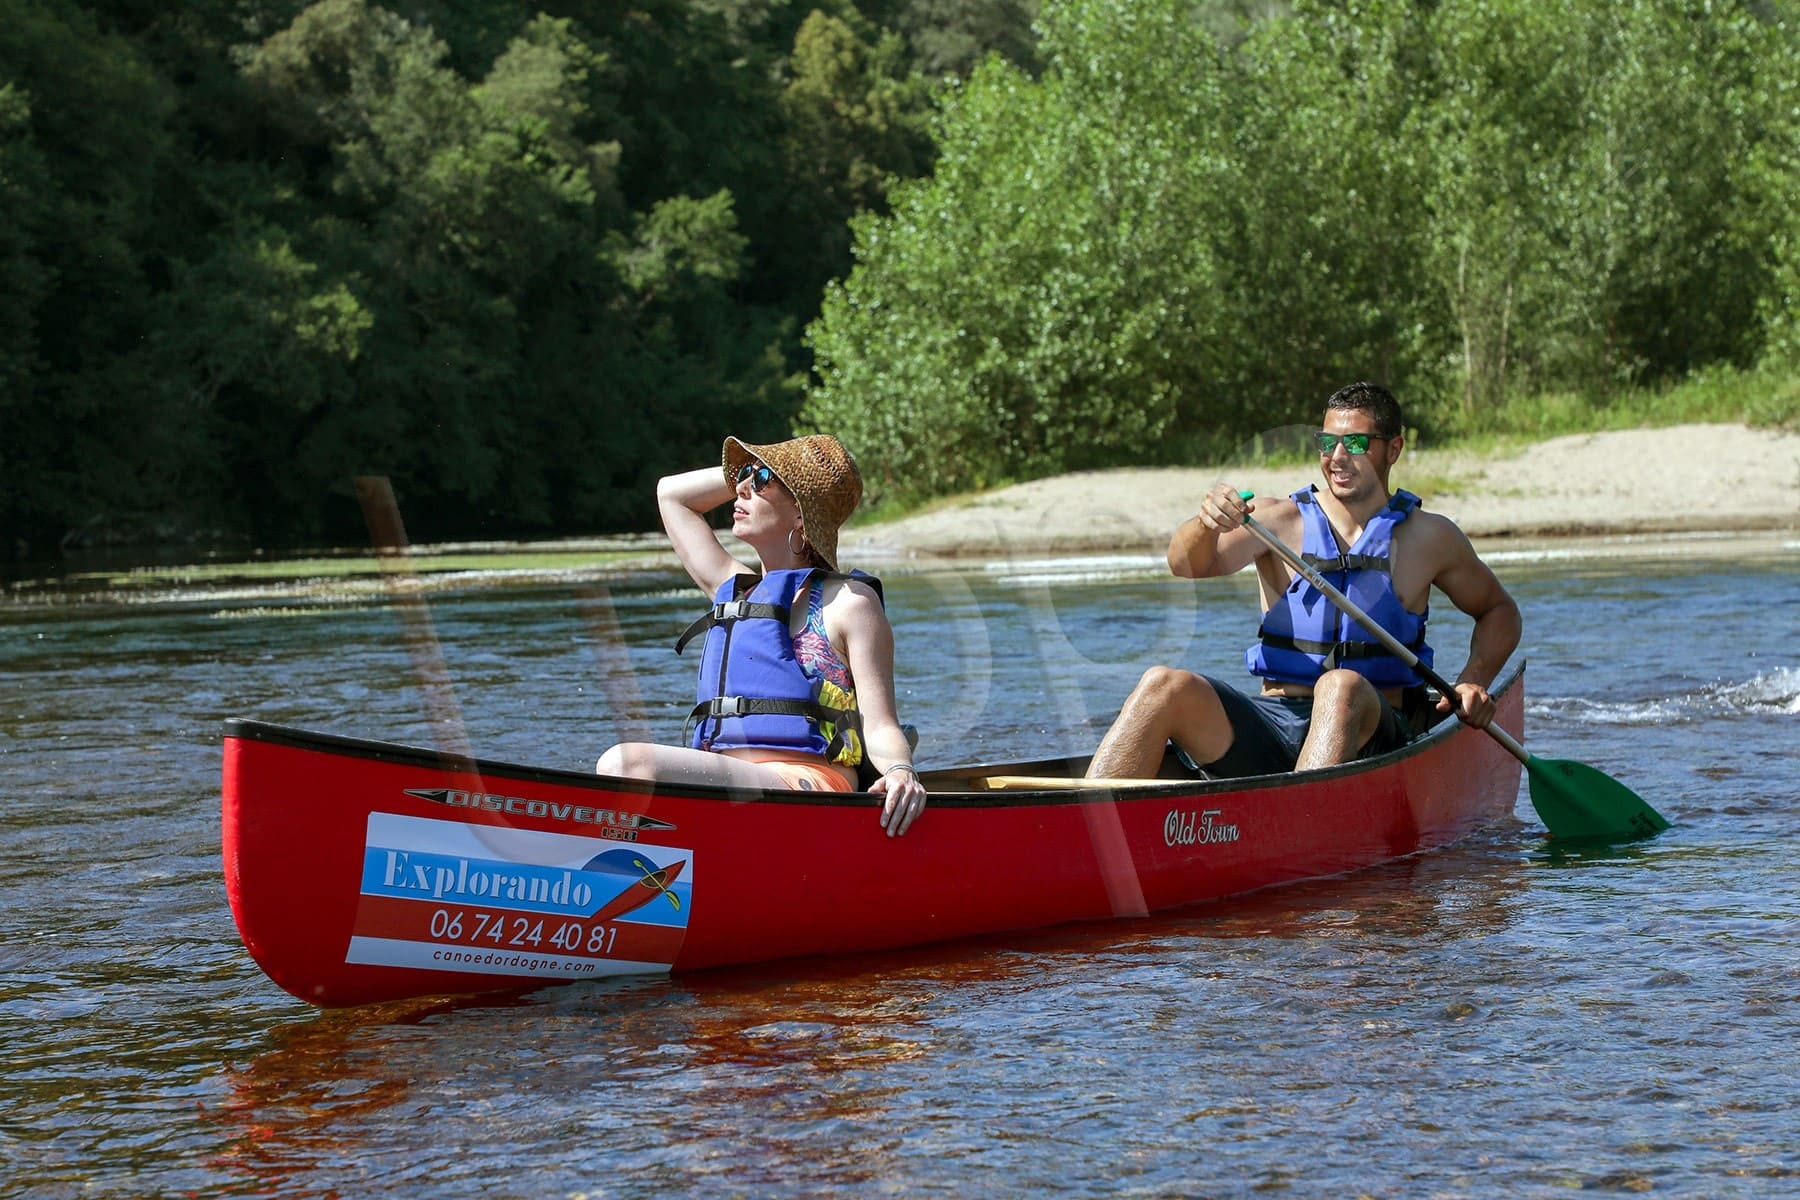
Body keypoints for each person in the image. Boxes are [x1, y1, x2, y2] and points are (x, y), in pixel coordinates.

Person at [1086, 381, 1521, 780]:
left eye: (1355, 443)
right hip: (1275, 722)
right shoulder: (1277, 521)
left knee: (1340, 684)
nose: (1337, 457)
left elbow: (1498, 612)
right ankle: (1090, 820)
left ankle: (1299, 815)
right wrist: (1205, 525)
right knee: (1164, 684)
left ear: (1393, 449)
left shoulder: (1431, 536)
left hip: (1374, 733)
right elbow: (1185, 564)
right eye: (1327, 442)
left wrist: (1472, 680)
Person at [597, 434, 927, 836]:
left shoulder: (850, 603)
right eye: (744, 476)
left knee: (625, 764)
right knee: (625, 769)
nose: (742, 486)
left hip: (809, 783)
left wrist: (899, 770)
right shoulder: (734, 587)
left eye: (763, 479)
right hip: (731, 783)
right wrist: (756, 466)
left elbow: (880, 725)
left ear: (803, 515)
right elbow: (672, 495)